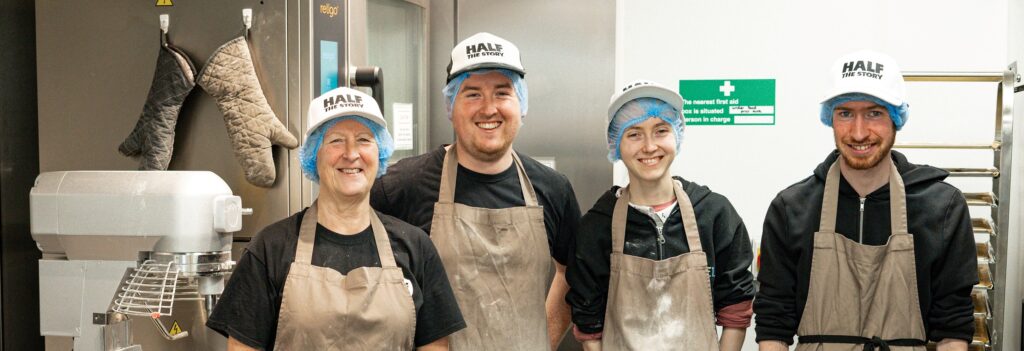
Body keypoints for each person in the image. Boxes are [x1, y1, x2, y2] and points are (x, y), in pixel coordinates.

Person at [207, 87, 465, 350]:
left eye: (364, 139)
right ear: (313, 156)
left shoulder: (415, 246)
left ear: (380, 153)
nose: (351, 153)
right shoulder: (271, 248)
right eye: (336, 140)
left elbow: (435, 347)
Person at [370, 32, 581, 350]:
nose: (489, 109)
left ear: (520, 103)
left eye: (502, 93)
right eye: (472, 94)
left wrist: (544, 340)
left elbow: (572, 275)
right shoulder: (401, 187)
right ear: (450, 106)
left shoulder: (553, 189)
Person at [754, 50, 978, 351]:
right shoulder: (791, 208)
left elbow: (953, 331)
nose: (859, 133)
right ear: (830, 119)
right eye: (845, 113)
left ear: (896, 118)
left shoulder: (941, 207)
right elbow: (773, 325)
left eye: (874, 113)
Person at [565, 80, 755, 350]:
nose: (649, 146)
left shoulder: (714, 214)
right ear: (616, 143)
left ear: (677, 135)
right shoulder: (596, 227)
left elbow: (736, 310)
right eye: (634, 134)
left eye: (661, 130)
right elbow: (589, 327)